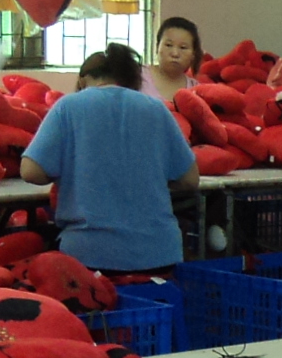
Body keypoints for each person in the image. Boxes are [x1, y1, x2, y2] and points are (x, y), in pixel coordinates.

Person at [20, 44, 199, 273]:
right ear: (133, 81)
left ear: (83, 80)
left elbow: (30, 171)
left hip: (90, 255)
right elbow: (190, 179)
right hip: (159, 255)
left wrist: (69, 171)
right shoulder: (156, 109)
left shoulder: (68, 106)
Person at [144, 16, 203, 104]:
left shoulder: (196, 90)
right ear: (157, 47)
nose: (175, 54)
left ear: (193, 54)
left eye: (183, 47)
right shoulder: (137, 75)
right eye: (168, 45)